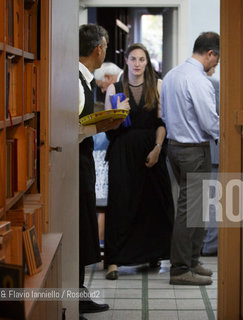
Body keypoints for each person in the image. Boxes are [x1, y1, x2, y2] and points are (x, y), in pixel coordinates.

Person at [103, 43, 174, 280]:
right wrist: (117, 115)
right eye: (133, 59)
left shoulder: (158, 85)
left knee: (153, 202)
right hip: (123, 151)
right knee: (121, 203)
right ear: (126, 61)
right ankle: (113, 261)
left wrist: (157, 149)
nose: (137, 64)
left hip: (151, 150)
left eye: (141, 59)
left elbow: (162, 123)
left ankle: (152, 254)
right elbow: (108, 130)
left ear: (147, 62)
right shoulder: (114, 88)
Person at [161, 32, 220, 286]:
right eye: (216, 59)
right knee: (189, 211)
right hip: (194, 150)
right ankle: (180, 268)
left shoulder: (172, 75)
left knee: (196, 208)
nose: (216, 65)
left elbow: (164, 114)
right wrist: (229, 133)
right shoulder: (199, 79)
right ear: (210, 54)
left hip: (174, 148)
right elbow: (209, 121)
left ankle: (193, 260)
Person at [77, 24, 125, 316]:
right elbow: (67, 127)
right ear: (99, 49)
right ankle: (76, 297)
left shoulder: (84, 79)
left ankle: (78, 293)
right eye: (105, 47)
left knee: (83, 225)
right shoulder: (74, 81)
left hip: (81, 159)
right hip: (75, 161)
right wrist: (102, 125)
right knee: (81, 226)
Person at [201, 66, 219, 257]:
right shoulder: (215, 86)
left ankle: (204, 245)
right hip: (214, 151)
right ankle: (209, 246)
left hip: (193, 150)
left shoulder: (180, 82)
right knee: (214, 203)